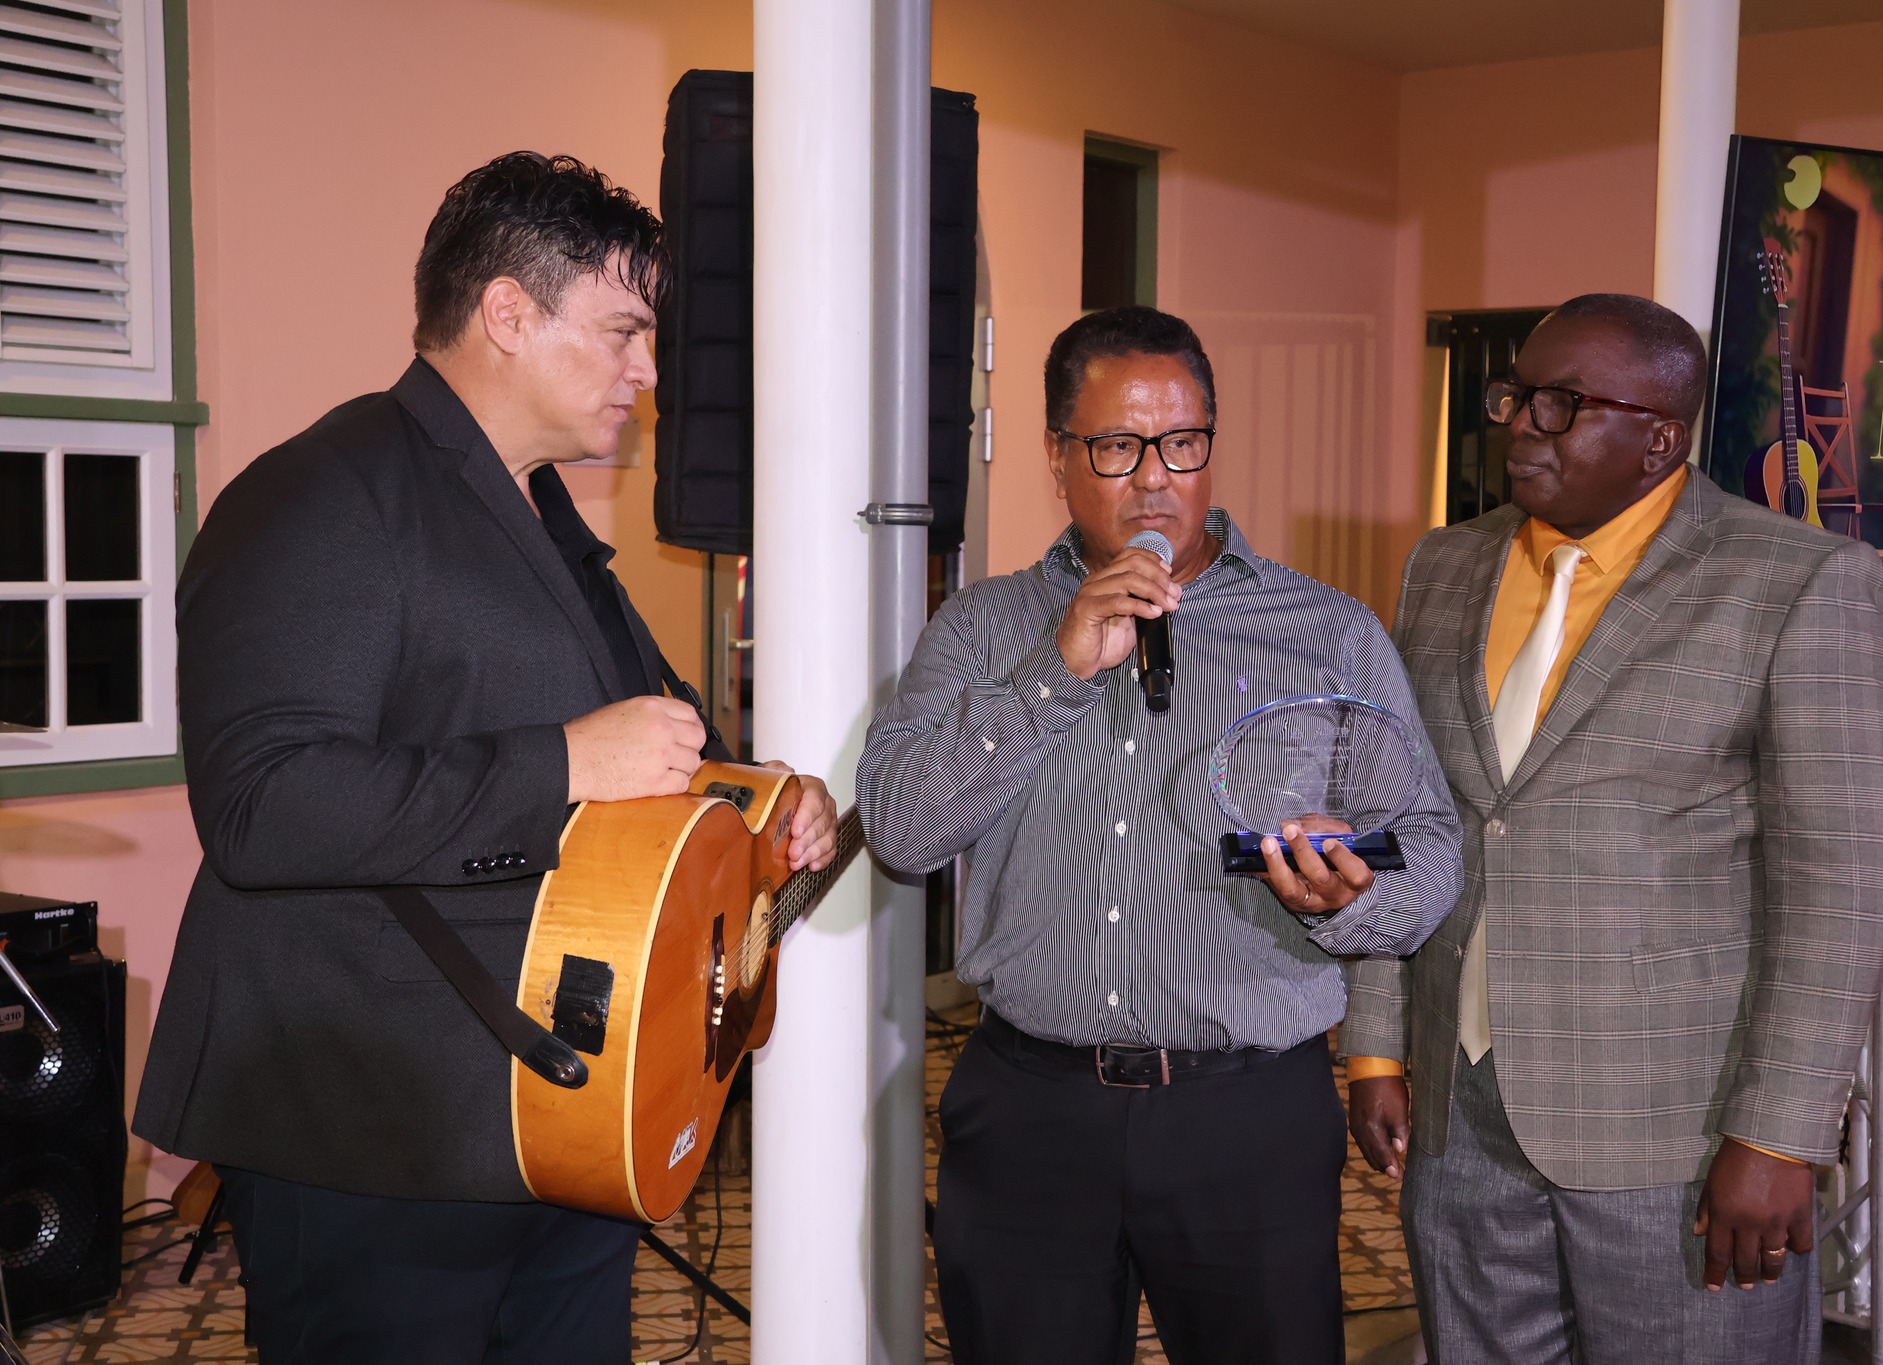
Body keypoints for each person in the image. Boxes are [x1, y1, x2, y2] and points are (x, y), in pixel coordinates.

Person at [133, 152, 837, 1364]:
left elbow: (659, 737)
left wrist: (764, 798)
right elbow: (261, 806)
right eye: (621, 331)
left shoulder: (543, 512)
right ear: (508, 312)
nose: (647, 372)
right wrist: (560, 761)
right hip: (374, 1133)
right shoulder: (317, 492)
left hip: (561, 1112)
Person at [857, 305, 1463, 1365]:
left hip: (1245, 1117)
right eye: (1115, 446)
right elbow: (903, 832)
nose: (1154, 479)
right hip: (1030, 1109)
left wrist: (1352, 895)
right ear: (1055, 454)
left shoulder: (1324, 632)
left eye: (1182, 443)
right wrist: (1054, 670)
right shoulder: (981, 628)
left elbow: (1425, 845)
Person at [1342, 293, 1883, 1364]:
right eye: (1515, 396)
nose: (1520, 424)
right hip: (1457, 1111)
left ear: (1657, 437)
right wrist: (1375, 1041)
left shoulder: (1791, 581)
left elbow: (1843, 880)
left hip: (1680, 1131)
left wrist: (1776, 1132)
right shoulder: (1443, 568)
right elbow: (1401, 814)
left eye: (1560, 406)